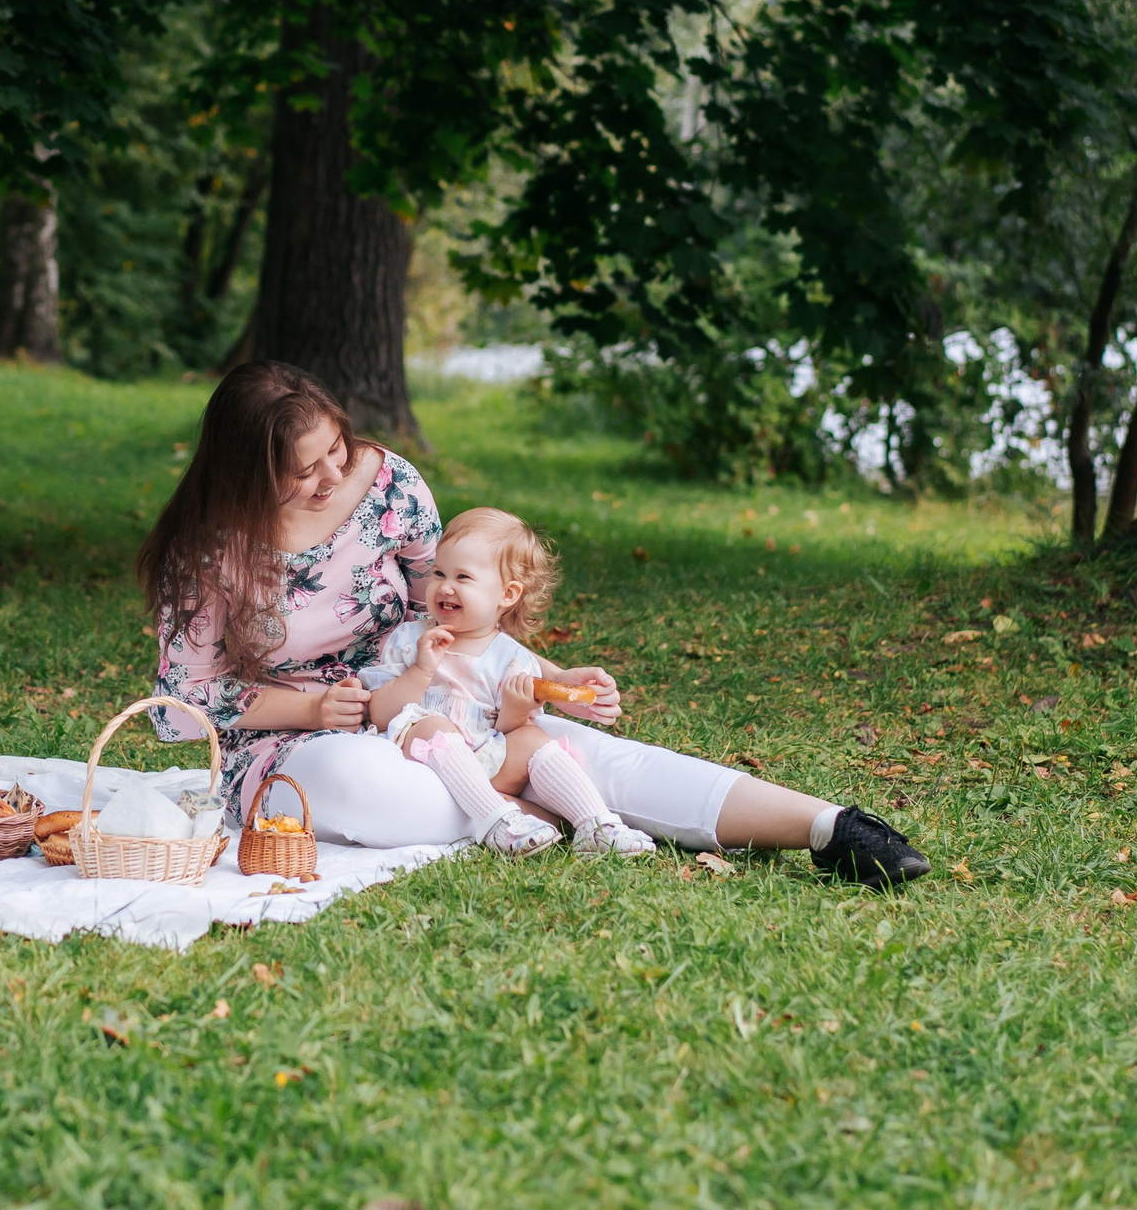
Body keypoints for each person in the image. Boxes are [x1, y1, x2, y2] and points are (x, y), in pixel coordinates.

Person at [137, 360, 928, 886]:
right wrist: (312, 707)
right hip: (299, 737)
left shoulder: (388, 486)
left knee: (593, 748)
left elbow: (453, 606)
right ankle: (548, 797)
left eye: (335, 452)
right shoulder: (207, 553)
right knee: (367, 787)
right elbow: (183, 704)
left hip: (441, 700)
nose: (331, 476)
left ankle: (831, 828)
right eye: (302, 470)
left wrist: (530, 682)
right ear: (246, 474)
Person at [360, 507, 656, 858]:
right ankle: (498, 822)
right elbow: (379, 713)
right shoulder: (410, 639)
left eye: (463, 578)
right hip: (422, 763)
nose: (445, 586)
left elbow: (505, 730)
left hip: (486, 763)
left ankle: (596, 825)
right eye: (438, 573)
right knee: (430, 725)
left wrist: (515, 714)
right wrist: (421, 671)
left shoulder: (513, 659)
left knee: (532, 738)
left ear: (507, 594)